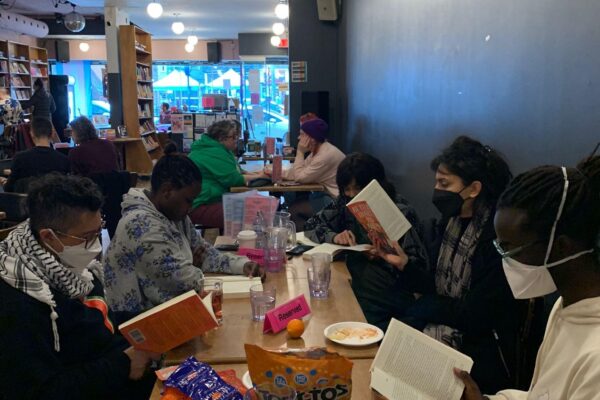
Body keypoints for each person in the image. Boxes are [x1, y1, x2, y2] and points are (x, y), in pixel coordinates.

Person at [372, 136, 518, 393]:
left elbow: (475, 316)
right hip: (442, 323)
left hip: (478, 351)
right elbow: (436, 286)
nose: (436, 190)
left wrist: (421, 306)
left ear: (473, 189)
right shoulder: (450, 223)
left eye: (444, 183)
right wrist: (404, 265)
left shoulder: (494, 239)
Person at [0, 173, 158, 399]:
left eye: (98, 231)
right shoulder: (20, 303)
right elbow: (41, 391)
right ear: (49, 237)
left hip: (115, 369)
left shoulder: (65, 263)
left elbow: (101, 318)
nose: (95, 246)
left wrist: (157, 318)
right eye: (87, 236)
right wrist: (124, 363)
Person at [456, 155, 600, 399]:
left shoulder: (595, 356)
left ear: (561, 247)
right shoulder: (565, 306)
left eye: (510, 249)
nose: (505, 260)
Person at [104, 148, 264, 320]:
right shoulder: (141, 225)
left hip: (164, 314)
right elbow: (185, 282)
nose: (191, 207)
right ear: (167, 191)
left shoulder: (174, 214)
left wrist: (242, 265)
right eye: (188, 200)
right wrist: (192, 265)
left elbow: (204, 253)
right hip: (139, 326)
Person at [303, 152, 429, 331]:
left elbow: (418, 267)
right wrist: (335, 236)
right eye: (346, 189)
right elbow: (312, 224)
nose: (352, 194)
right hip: (357, 273)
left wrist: (386, 256)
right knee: (330, 294)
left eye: (359, 188)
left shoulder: (400, 210)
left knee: (338, 303)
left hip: (389, 285)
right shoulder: (344, 202)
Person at [188, 119, 267, 230]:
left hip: (208, 200)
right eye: (233, 137)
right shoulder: (213, 152)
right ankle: (236, 244)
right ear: (221, 138)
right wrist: (261, 176)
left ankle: (235, 242)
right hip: (200, 205)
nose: (237, 140)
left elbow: (237, 172)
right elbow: (234, 179)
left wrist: (259, 174)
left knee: (254, 205)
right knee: (251, 213)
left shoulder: (216, 149)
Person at [4, 117, 70, 193]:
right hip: (55, 203)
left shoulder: (20, 158)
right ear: (52, 134)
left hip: (27, 203)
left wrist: (3, 182)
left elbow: (9, 188)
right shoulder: (64, 160)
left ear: (32, 134)